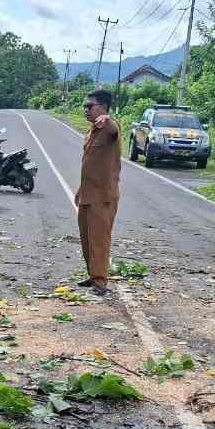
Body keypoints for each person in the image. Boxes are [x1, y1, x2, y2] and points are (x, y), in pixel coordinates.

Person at [75, 89, 121, 296]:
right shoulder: (92, 130)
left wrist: (108, 119)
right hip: (87, 193)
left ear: (103, 107)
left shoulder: (110, 127)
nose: (86, 110)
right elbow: (89, 164)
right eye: (85, 106)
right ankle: (92, 275)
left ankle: (101, 281)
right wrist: (79, 190)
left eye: (90, 106)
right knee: (86, 239)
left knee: (100, 239)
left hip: (103, 197)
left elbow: (114, 131)